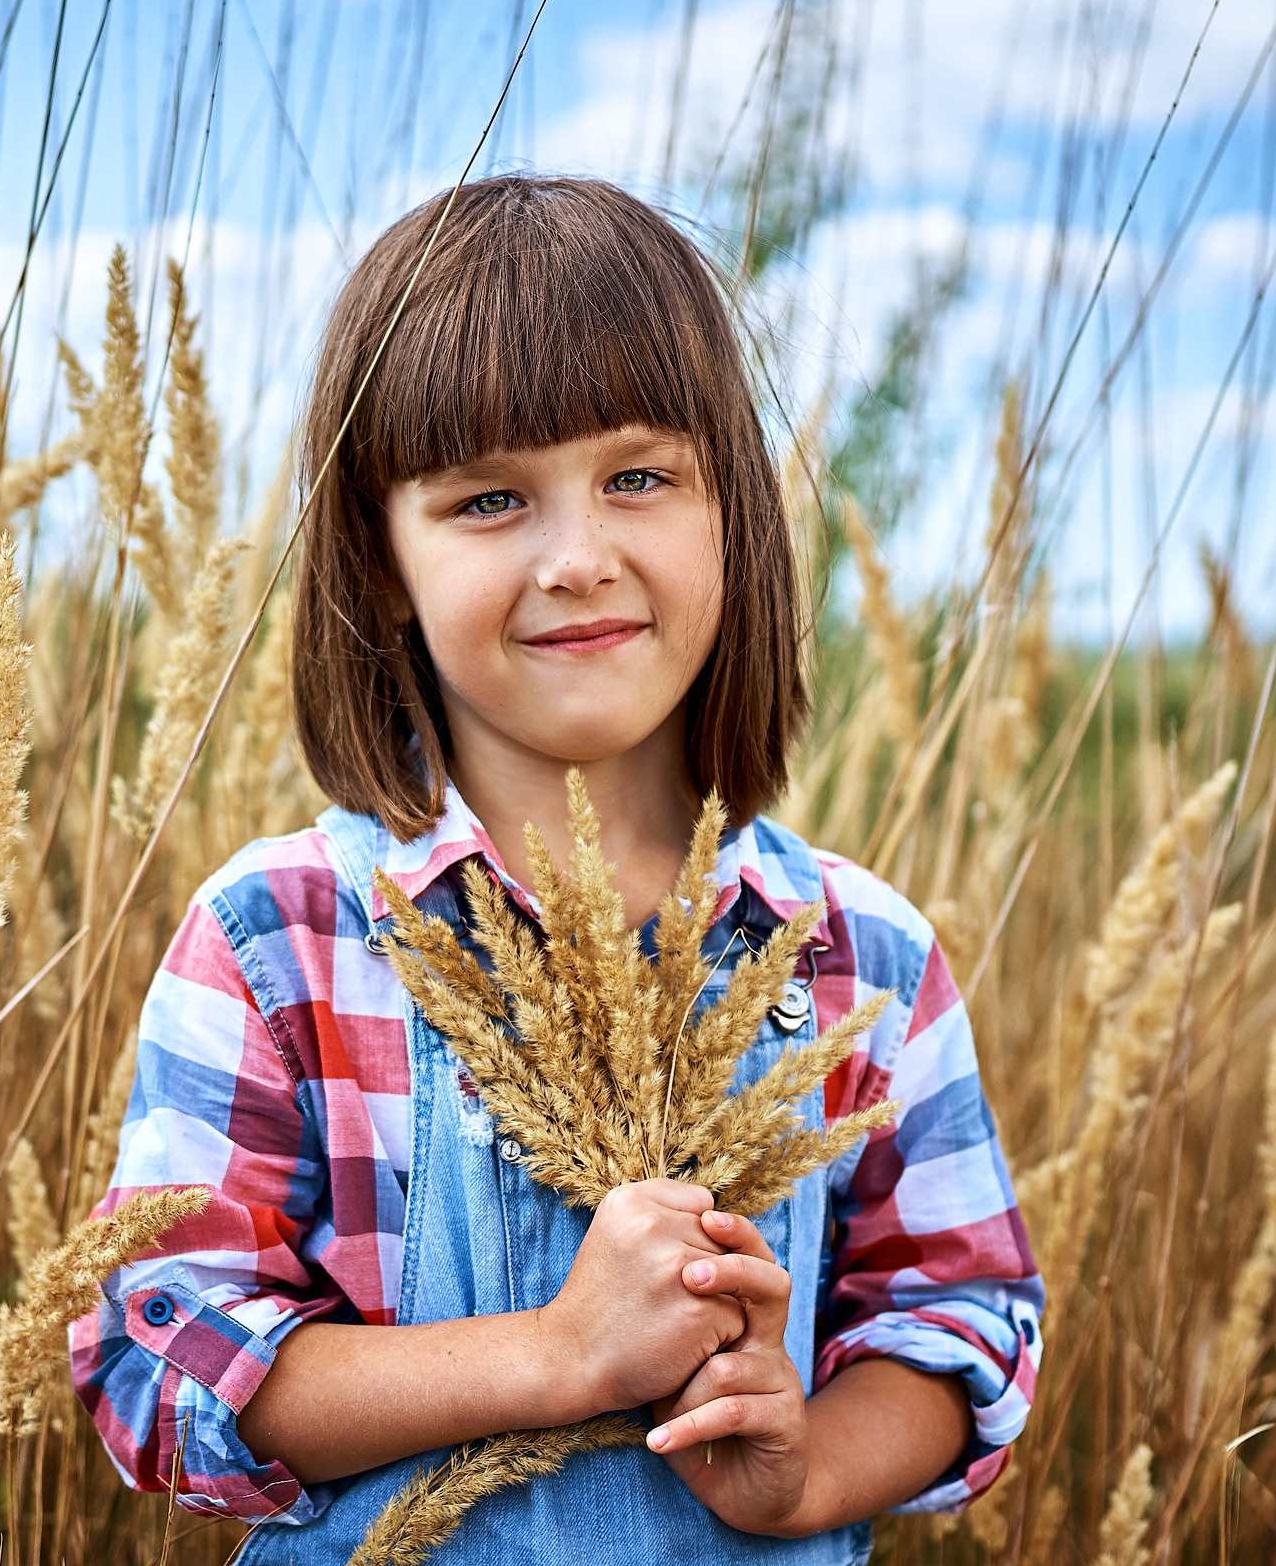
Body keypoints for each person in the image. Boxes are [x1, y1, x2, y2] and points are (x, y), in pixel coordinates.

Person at [69, 175, 1042, 1563]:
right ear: (381, 557)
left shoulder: (857, 954)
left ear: (731, 513)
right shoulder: (285, 940)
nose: (579, 558)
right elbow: (155, 1358)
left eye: (639, 477)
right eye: (487, 501)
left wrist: (807, 1466)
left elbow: (963, 1319)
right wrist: (559, 1354)